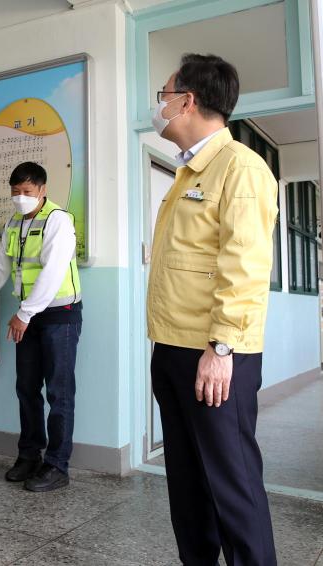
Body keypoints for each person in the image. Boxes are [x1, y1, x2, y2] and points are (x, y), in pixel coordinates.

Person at [148, 54, 278, 565]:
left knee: (232, 484)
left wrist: (221, 347)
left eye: (164, 94)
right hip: (175, 349)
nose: (159, 105)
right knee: (188, 482)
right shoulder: (187, 172)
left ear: (188, 100)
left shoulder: (241, 168)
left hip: (216, 355)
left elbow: (244, 266)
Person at [0, 161, 82, 492]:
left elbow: (51, 273)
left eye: (27, 192)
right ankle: (30, 455)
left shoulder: (57, 220)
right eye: (15, 192)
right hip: (30, 316)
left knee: (59, 393)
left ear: (43, 190)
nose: (20, 198)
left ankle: (57, 465)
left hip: (59, 314)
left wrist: (24, 313)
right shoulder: (14, 223)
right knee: (27, 389)